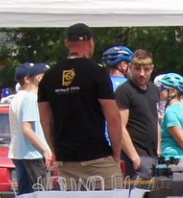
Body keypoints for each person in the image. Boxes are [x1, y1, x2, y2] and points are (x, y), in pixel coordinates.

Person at [38, 22, 127, 189]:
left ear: (66, 43)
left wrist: (56, 151)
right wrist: (116, 154)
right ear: (91, 43)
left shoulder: (49, 76)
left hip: (66, 160)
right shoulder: (97, 72)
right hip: (98, 157)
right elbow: (113, 117)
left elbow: (45, 120)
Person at [7, 62, 51, 196]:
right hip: (33, 154)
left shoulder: (21, 98)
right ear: (39, 78)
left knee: (26, 196)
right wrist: (45, 150)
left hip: (24, 153)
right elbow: (26, 128)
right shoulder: (31, 99)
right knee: (39, 195)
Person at [115, 47, 159, 178]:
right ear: (130, 67)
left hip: (153, 156)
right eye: (137, 68)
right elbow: (119, 127)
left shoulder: (154, 89)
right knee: (137, 197)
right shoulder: (124, 91)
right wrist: (134, 157)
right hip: (135, 158)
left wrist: (159, 151)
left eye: (146, 69)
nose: (142, 73)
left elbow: (155, 120)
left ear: (152, 68)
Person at [156, 73, 183, 166]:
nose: (159, 90)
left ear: (173, 92)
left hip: (173, 159)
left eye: (162, 88)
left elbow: (181, 139)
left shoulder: (170, 111)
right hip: (181, 159)